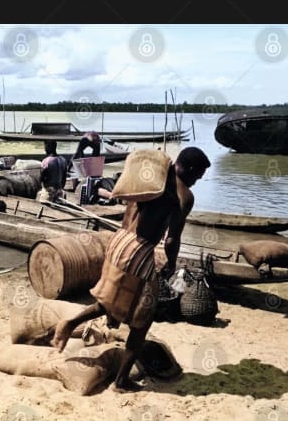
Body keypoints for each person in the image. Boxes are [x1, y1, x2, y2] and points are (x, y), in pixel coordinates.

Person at [50, 146, 211, 392]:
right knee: (142, 319)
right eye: (197, 176)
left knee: (114, 301)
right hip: (138, 250)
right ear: (188, 169)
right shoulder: (183, 195)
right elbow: (171, 239)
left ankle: (72, 322)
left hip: (118, 241)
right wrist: (171, 265)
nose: (196, 182)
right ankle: (122, 381)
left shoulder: (153, 180)